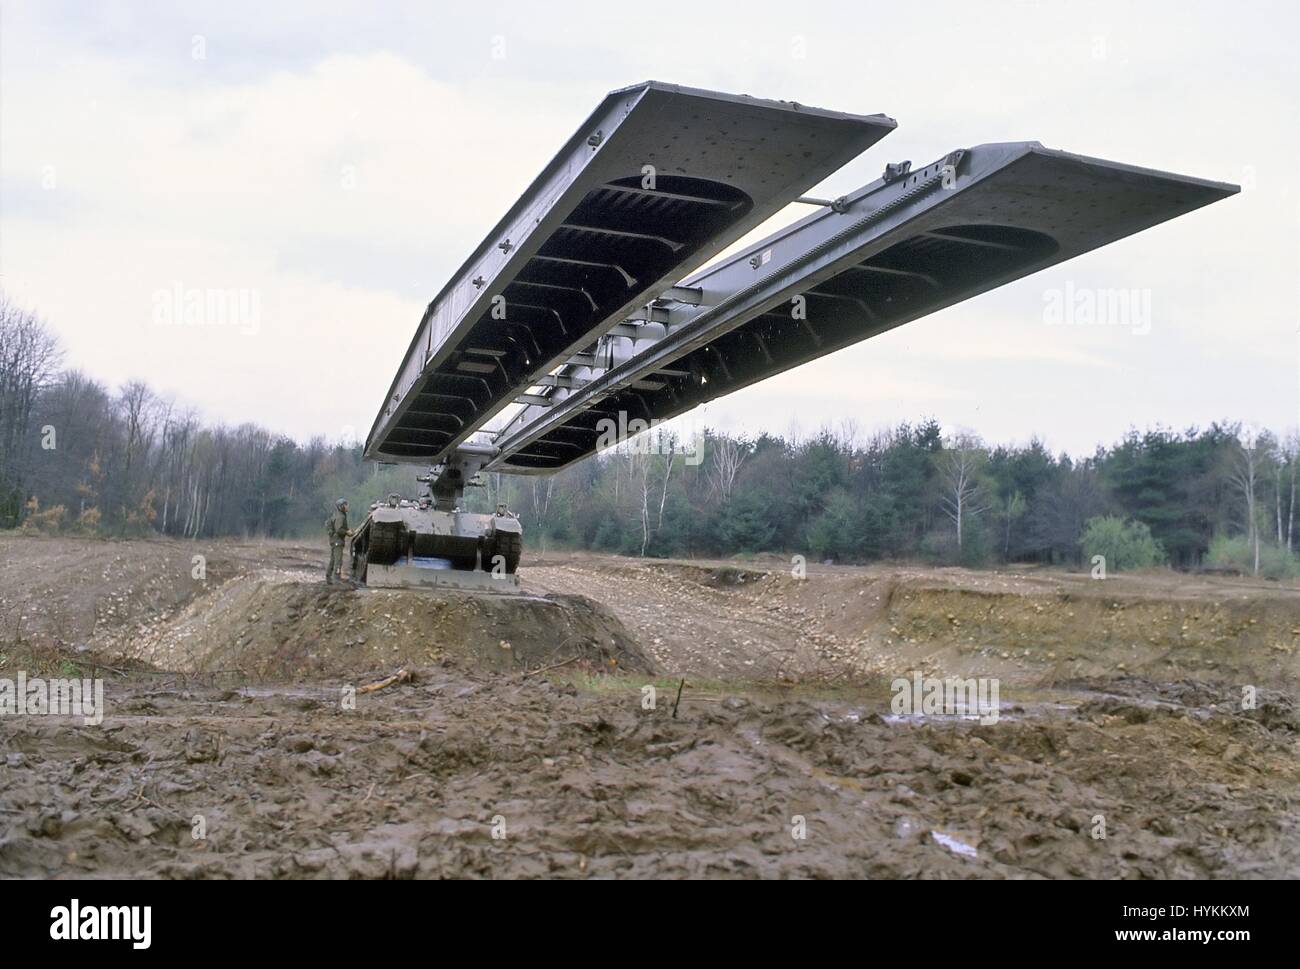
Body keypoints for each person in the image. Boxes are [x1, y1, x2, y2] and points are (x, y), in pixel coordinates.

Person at [325, 498, 350, 584]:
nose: (347, 506)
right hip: (337, 540)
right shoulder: (341, 516)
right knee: (338, 560)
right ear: (341, 507)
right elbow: (339, 529)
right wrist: (347, 532)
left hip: (334, 540)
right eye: (346, 505)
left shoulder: (337, 515)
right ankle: (336, 578)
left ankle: (328, 577)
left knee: (333, 559)